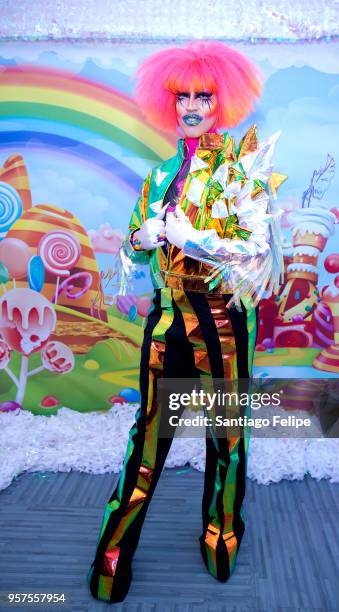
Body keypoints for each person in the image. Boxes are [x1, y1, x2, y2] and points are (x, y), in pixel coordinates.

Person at [87, 40, 286, 603]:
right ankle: (111, 561)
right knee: (146, 441)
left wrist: (191, 237)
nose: (193, 105)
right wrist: (139, 238)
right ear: (168, 103)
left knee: (227, 438)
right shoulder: (158, 176)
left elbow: (256, 251)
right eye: (183, 96)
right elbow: (131, 254)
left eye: (205, 94)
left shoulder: (245, 173)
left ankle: (221, 539)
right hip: (165, 319)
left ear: (223, 101)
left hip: (223, 322)